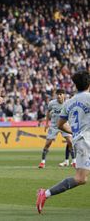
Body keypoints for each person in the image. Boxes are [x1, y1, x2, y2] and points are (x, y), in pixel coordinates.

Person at [37, 70, 90, 214]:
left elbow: (61, 124)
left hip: (80, 140)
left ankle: (45, 193)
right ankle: (45, 193)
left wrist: (75, 132)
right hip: (86, 142)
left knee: (81, 179)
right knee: (80, 178)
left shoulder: (69, 102)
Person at [38, 89, 76, 169]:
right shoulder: (52, 103)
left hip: (64, 125)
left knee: (70, 141)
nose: (59, 96)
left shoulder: (68, 103)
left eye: (61, 94)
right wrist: (47, 123)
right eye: (57, 94)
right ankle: (42, 162)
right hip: (54, 126)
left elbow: (72, 114)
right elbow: (48, 112)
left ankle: (74, 161)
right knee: (48, 143)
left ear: (64, 95)